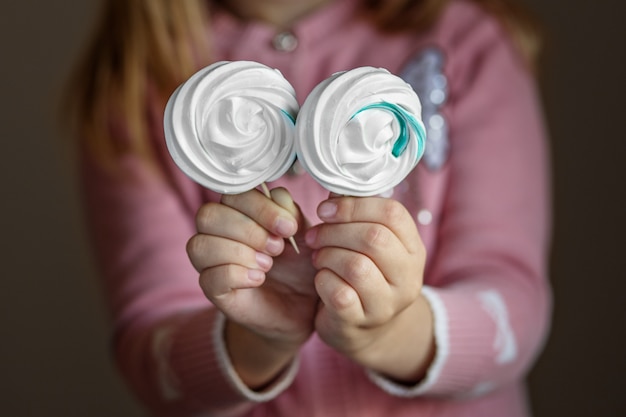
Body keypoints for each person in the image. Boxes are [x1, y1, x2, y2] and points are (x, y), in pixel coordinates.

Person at [64, 0, 552, 415]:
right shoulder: (133, 87)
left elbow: (515, 310)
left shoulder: (469, 44)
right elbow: (153, 360)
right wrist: (260, 338)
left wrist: (389, 334)